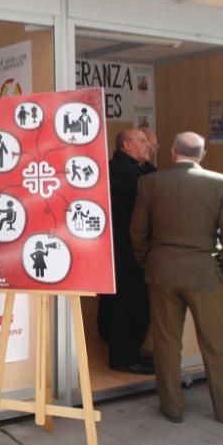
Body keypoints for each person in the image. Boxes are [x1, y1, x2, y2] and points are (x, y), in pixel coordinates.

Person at [130, 132, 223, 424]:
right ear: (201, 155)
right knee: (215, 343)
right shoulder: (220, 183)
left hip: (162, 272)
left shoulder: (150, 182)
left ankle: (172, 406)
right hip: (205, 272)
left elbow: (137, 232)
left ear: (173, 152)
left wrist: (148, 261)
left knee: (166, 341)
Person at [97, 129, 154, 375]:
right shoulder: (122, 172)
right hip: (125, 249)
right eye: (142, 141)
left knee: (117, 302)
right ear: (126, 145)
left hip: (122, 248)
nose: (148, 145)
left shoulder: (136, 169)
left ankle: (122, 349)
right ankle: (125, 357)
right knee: (127, 304)